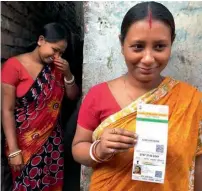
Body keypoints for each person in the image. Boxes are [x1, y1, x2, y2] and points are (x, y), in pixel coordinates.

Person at [72, 2, 202, 191]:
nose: (148, 58)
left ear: (171, 43)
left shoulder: (190, 100)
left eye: (159, 46)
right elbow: (78, 147)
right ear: (122, 44)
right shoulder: (98, 95)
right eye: (138, 47)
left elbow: (197, 161)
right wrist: (98, 149)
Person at [1, 22, 79, 190]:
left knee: (51, 185)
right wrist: (14, 150)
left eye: (61, 53)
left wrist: (68, 73)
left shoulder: (57, 69)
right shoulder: (13, 66)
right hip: (24, 144)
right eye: (55, 49)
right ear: (41, 40)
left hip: (53, 142)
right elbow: (6, 110)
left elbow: (72, 96)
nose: (57, 56)